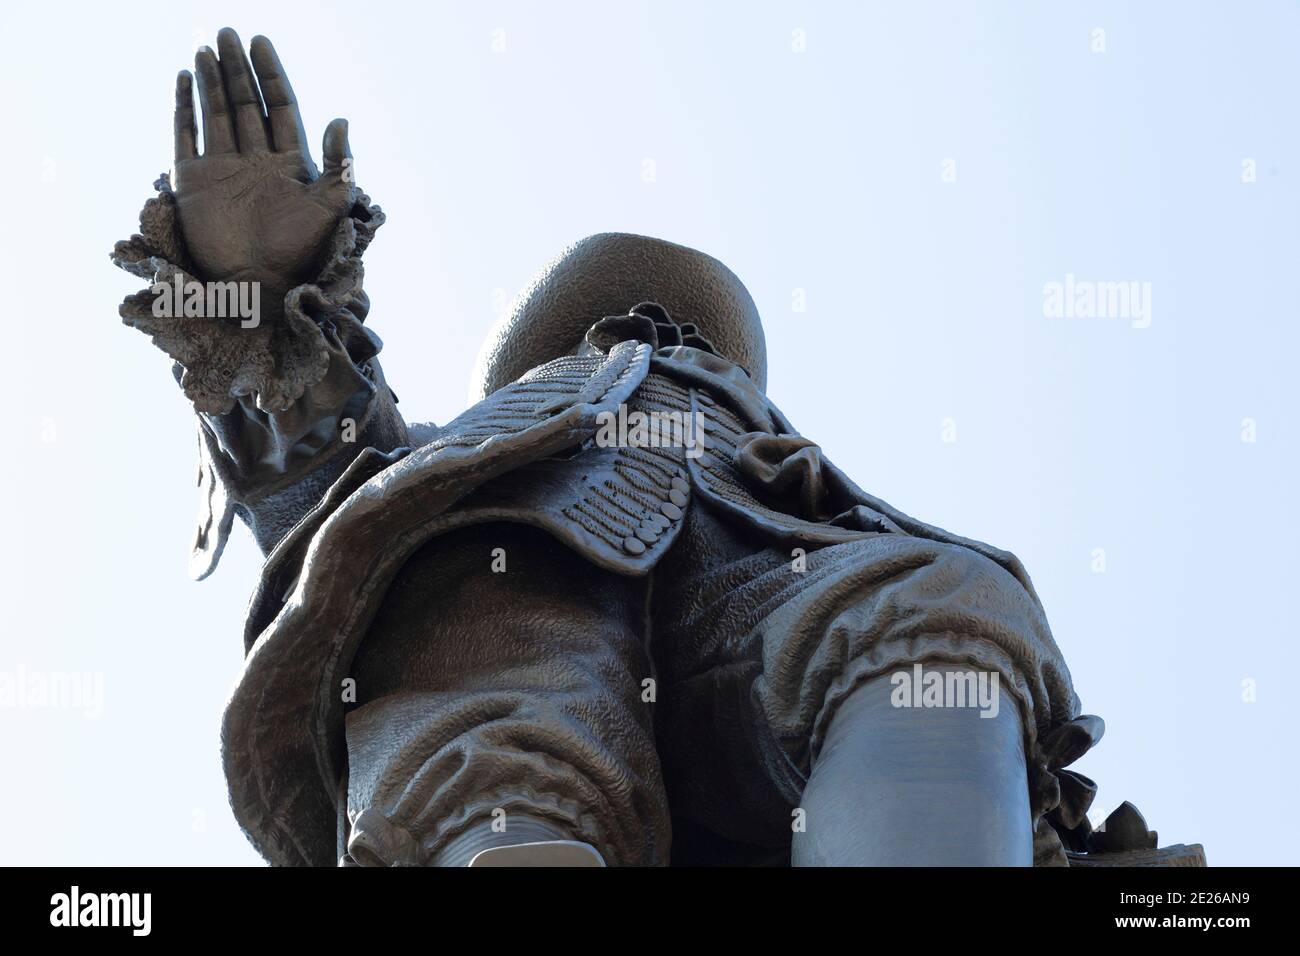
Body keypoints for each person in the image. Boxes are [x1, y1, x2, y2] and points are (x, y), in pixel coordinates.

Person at [111, 28, 1101, 867]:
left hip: (755, 569)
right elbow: (317, 476)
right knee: (487, 731)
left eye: (670, 327)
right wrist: (263, 299)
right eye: (623, 321)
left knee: (933, 619)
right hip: (497, 568)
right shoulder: (452, 457)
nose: (644, 332)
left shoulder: (794, 494)